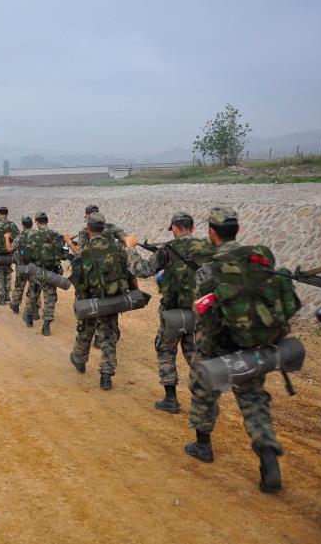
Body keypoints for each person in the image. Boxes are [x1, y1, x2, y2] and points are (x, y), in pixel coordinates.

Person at [184, 207, 299, 494]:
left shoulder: (209, 270)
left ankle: (202, 445)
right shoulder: (259, 260)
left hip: (217, 348)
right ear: (237, 229)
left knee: (202, 393)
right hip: (253, 344)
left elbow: (203, 314)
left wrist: (208, 347)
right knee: (253, 402)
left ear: (212, 233)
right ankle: (268, 458)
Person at [125, 212, 215, 412]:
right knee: (195, 354)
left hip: (173, 314)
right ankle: (205, 399)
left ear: (174, 228)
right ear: (192, 228)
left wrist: (130, 249)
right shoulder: (208, 248)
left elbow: (143, 269)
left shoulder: (168, 248)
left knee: (165, 350)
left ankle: (171, 399)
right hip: (199, 313)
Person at [68, 212, 131, 390]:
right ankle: (106, 376)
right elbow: (127, 270)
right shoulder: (117, 248)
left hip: (91, 301)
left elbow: (78, 281)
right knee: (109, 336)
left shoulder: (84, 251)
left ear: (88, 228)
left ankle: (80, 360)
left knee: (86, 331)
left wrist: (81, 301)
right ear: (104, 228)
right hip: (111, 299)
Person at [22, 212, 68, 336]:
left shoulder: (32, 236)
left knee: (33, 294)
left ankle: (29, 319)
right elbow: (64, 255)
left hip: (37, 271)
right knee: (50, 298)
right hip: (52, 272)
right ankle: (46, 325)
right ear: (47, 221)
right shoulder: (57, 235)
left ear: (37, 222)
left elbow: (26, 256)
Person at [0, 206, 18, 305]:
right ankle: (7, 295)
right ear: (7, 214)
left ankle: (1, 298)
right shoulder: (12, 225)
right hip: (9, 255)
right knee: (7, 274)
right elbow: (17, 238)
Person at [9, 216, 34, 315]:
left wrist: (8, 238)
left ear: (22, 225)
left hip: (22, 266)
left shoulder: (19, 236)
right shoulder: (37, 235)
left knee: (19, 285)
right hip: (34, 267)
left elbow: (11, 249)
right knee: (34, 287)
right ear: (32, 224)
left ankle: (15, 305)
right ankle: (35, 307)